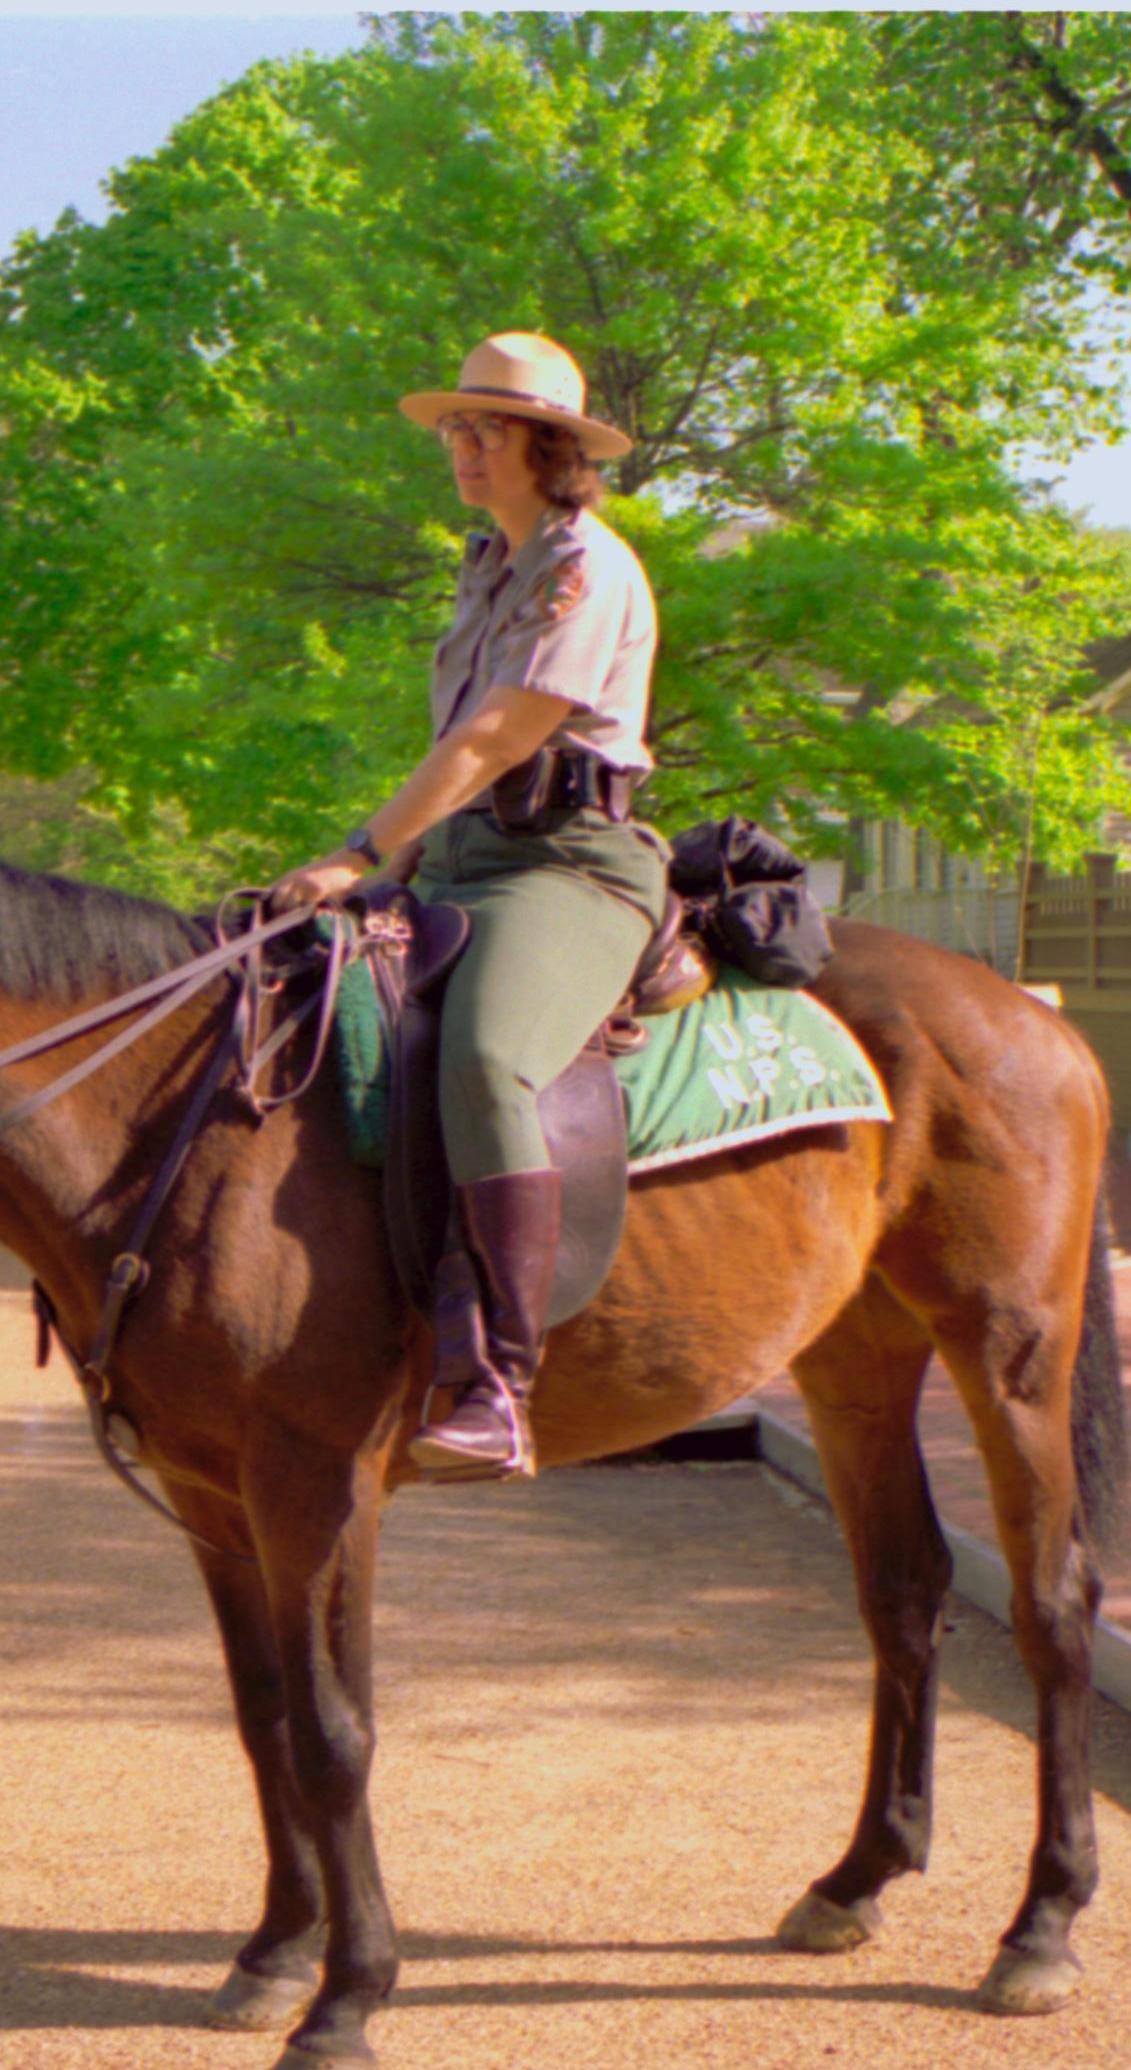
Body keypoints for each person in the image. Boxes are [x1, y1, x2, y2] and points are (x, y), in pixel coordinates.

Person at [266, 332, 667, 1484]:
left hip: (566, 867)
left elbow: (498, 735)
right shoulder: (487, 562)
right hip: (456, 860)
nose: (462, 446)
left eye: (486, 427)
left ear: (551, 447)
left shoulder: (583, 566)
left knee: (486, 1057)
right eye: (454, 426)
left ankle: (494, 1378)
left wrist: (359, 849)